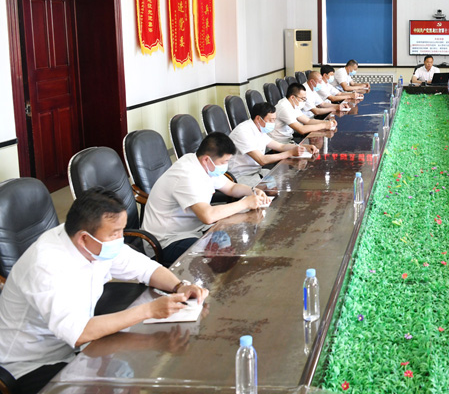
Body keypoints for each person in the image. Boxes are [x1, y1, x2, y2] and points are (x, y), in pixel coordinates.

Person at [0, 188, 208, 394]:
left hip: (71, 348)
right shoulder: (46, 265)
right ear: (83, 238)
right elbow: (79, 332)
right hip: (30, 364)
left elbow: (145, 268)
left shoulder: (93, 242)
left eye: (122, 230)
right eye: (115, 233)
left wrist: (180, 286)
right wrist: (149, 310)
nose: (121, 238)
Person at [142, 132, 271, 264]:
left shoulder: (203, 164)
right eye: (224, 162)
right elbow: (207, 216)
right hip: (167, 242)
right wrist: (245, 203)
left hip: (192, 230)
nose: (226, 165)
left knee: (235, 239)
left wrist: (253, 191)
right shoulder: (186, 175)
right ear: (206, 159)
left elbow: (231, 188)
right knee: (218, 258)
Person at [228, 102, 314, 186]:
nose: (273, 123)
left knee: (286, 179)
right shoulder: (243, 132)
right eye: (270, 120)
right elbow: (262, 160)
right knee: (271, 188)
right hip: (240, 176)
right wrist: (290, 153)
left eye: (274, 120)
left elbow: (281, 146)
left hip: (256, 172)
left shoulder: (259, 129)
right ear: (258, 119)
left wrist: (304, 147)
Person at [271, 83, 336, 141]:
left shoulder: (292, 104)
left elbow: (308, 121)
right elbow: (301, 129)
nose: (304, 101)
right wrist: (324, 125)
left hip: (288, 138)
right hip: (279, 142)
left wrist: (327, 122)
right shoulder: (284, 107)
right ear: (292, 97)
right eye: (302, 98)